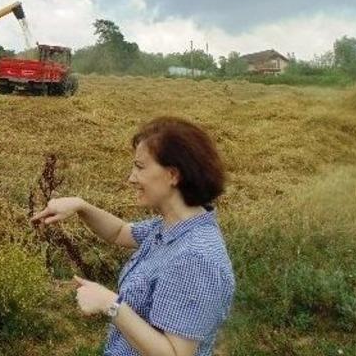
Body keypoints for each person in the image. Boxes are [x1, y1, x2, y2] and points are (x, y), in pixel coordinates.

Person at [31, 116, 234, 356]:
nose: (131, 178)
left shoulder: (194, 258)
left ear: (173, 175)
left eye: (140, 167)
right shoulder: (171, 227)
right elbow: (120, 232)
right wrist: (81, 206)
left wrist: (111, 305)